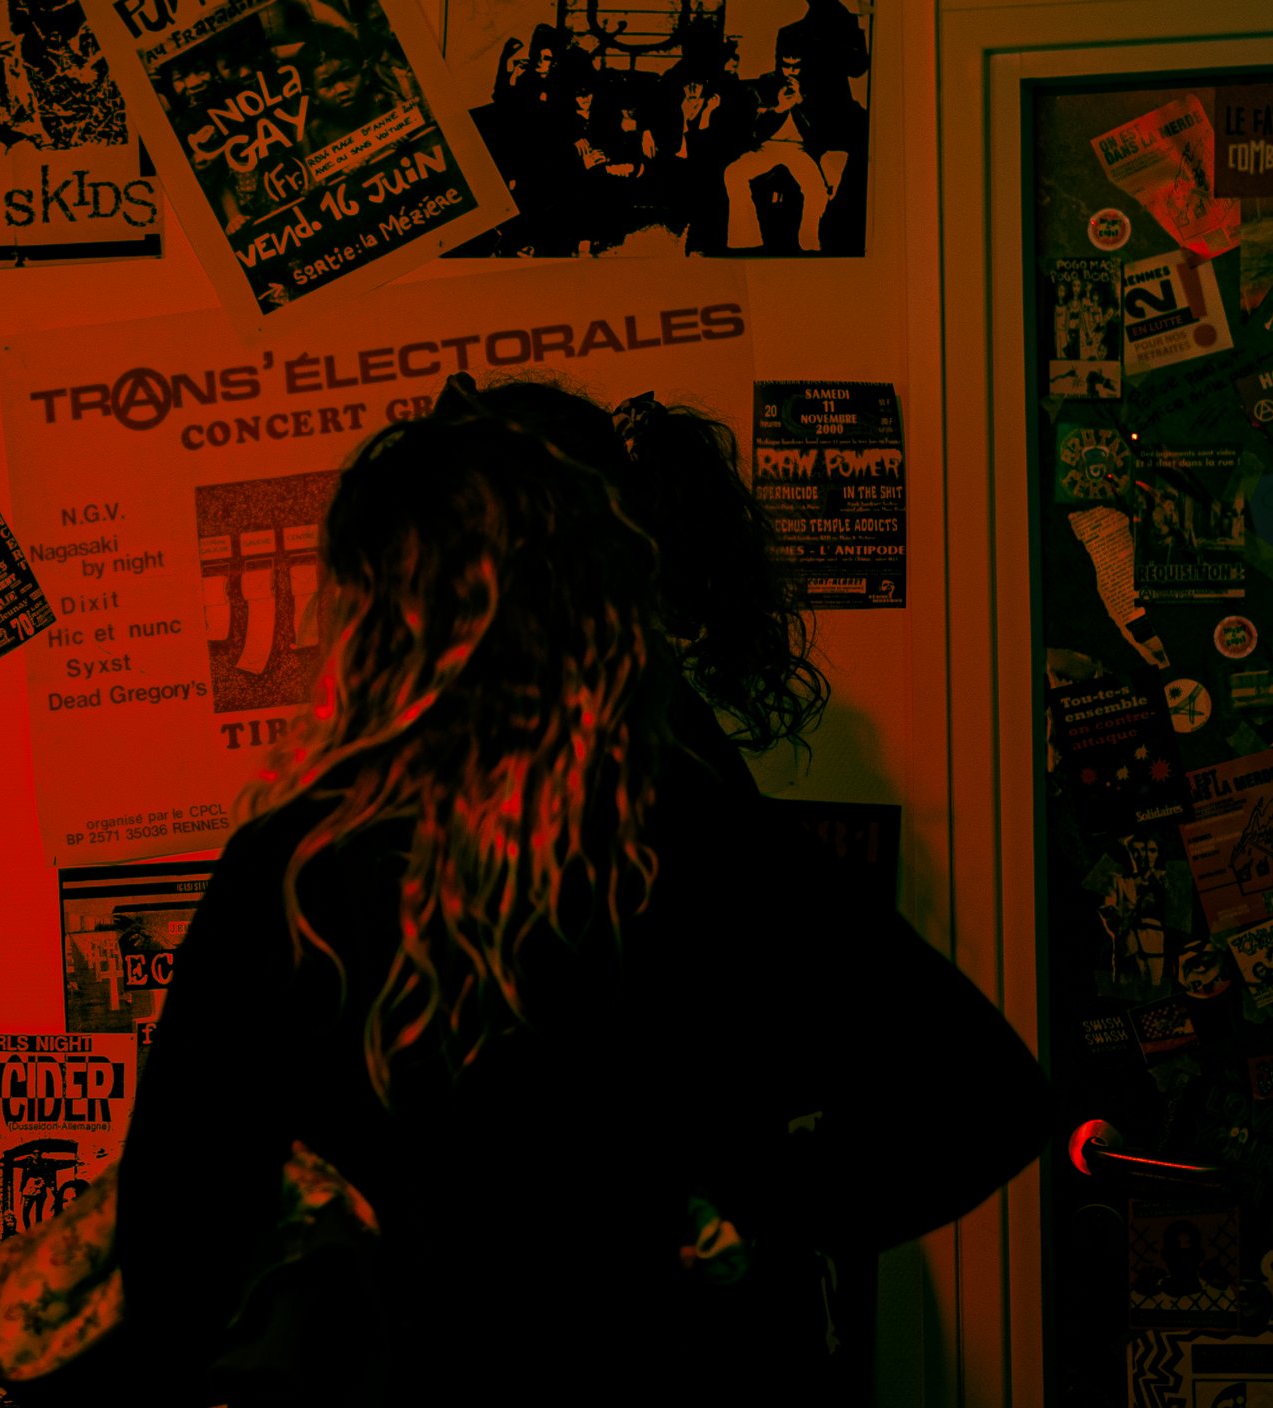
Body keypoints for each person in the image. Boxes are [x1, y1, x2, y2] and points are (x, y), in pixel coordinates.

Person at [110, 387, 1050, 1404]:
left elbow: (173, 1240)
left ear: (375, 611)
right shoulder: (687, 826)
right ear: (597, 589)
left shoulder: (296, 865)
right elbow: (985, 1098)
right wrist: (755, 1207)